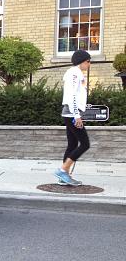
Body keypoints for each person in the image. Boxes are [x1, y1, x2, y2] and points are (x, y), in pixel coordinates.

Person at [54, 49, 92, 187]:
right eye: (88, 61)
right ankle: (63, 170)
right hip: (71, 114)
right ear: (82, 61)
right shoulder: (75, 73)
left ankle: (64, 177)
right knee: (85, 144)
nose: (89, 64)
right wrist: (77, 115)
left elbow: (76, 95)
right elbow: (72, 96)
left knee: (72, 145)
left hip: (70, 113)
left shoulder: (75, 73)